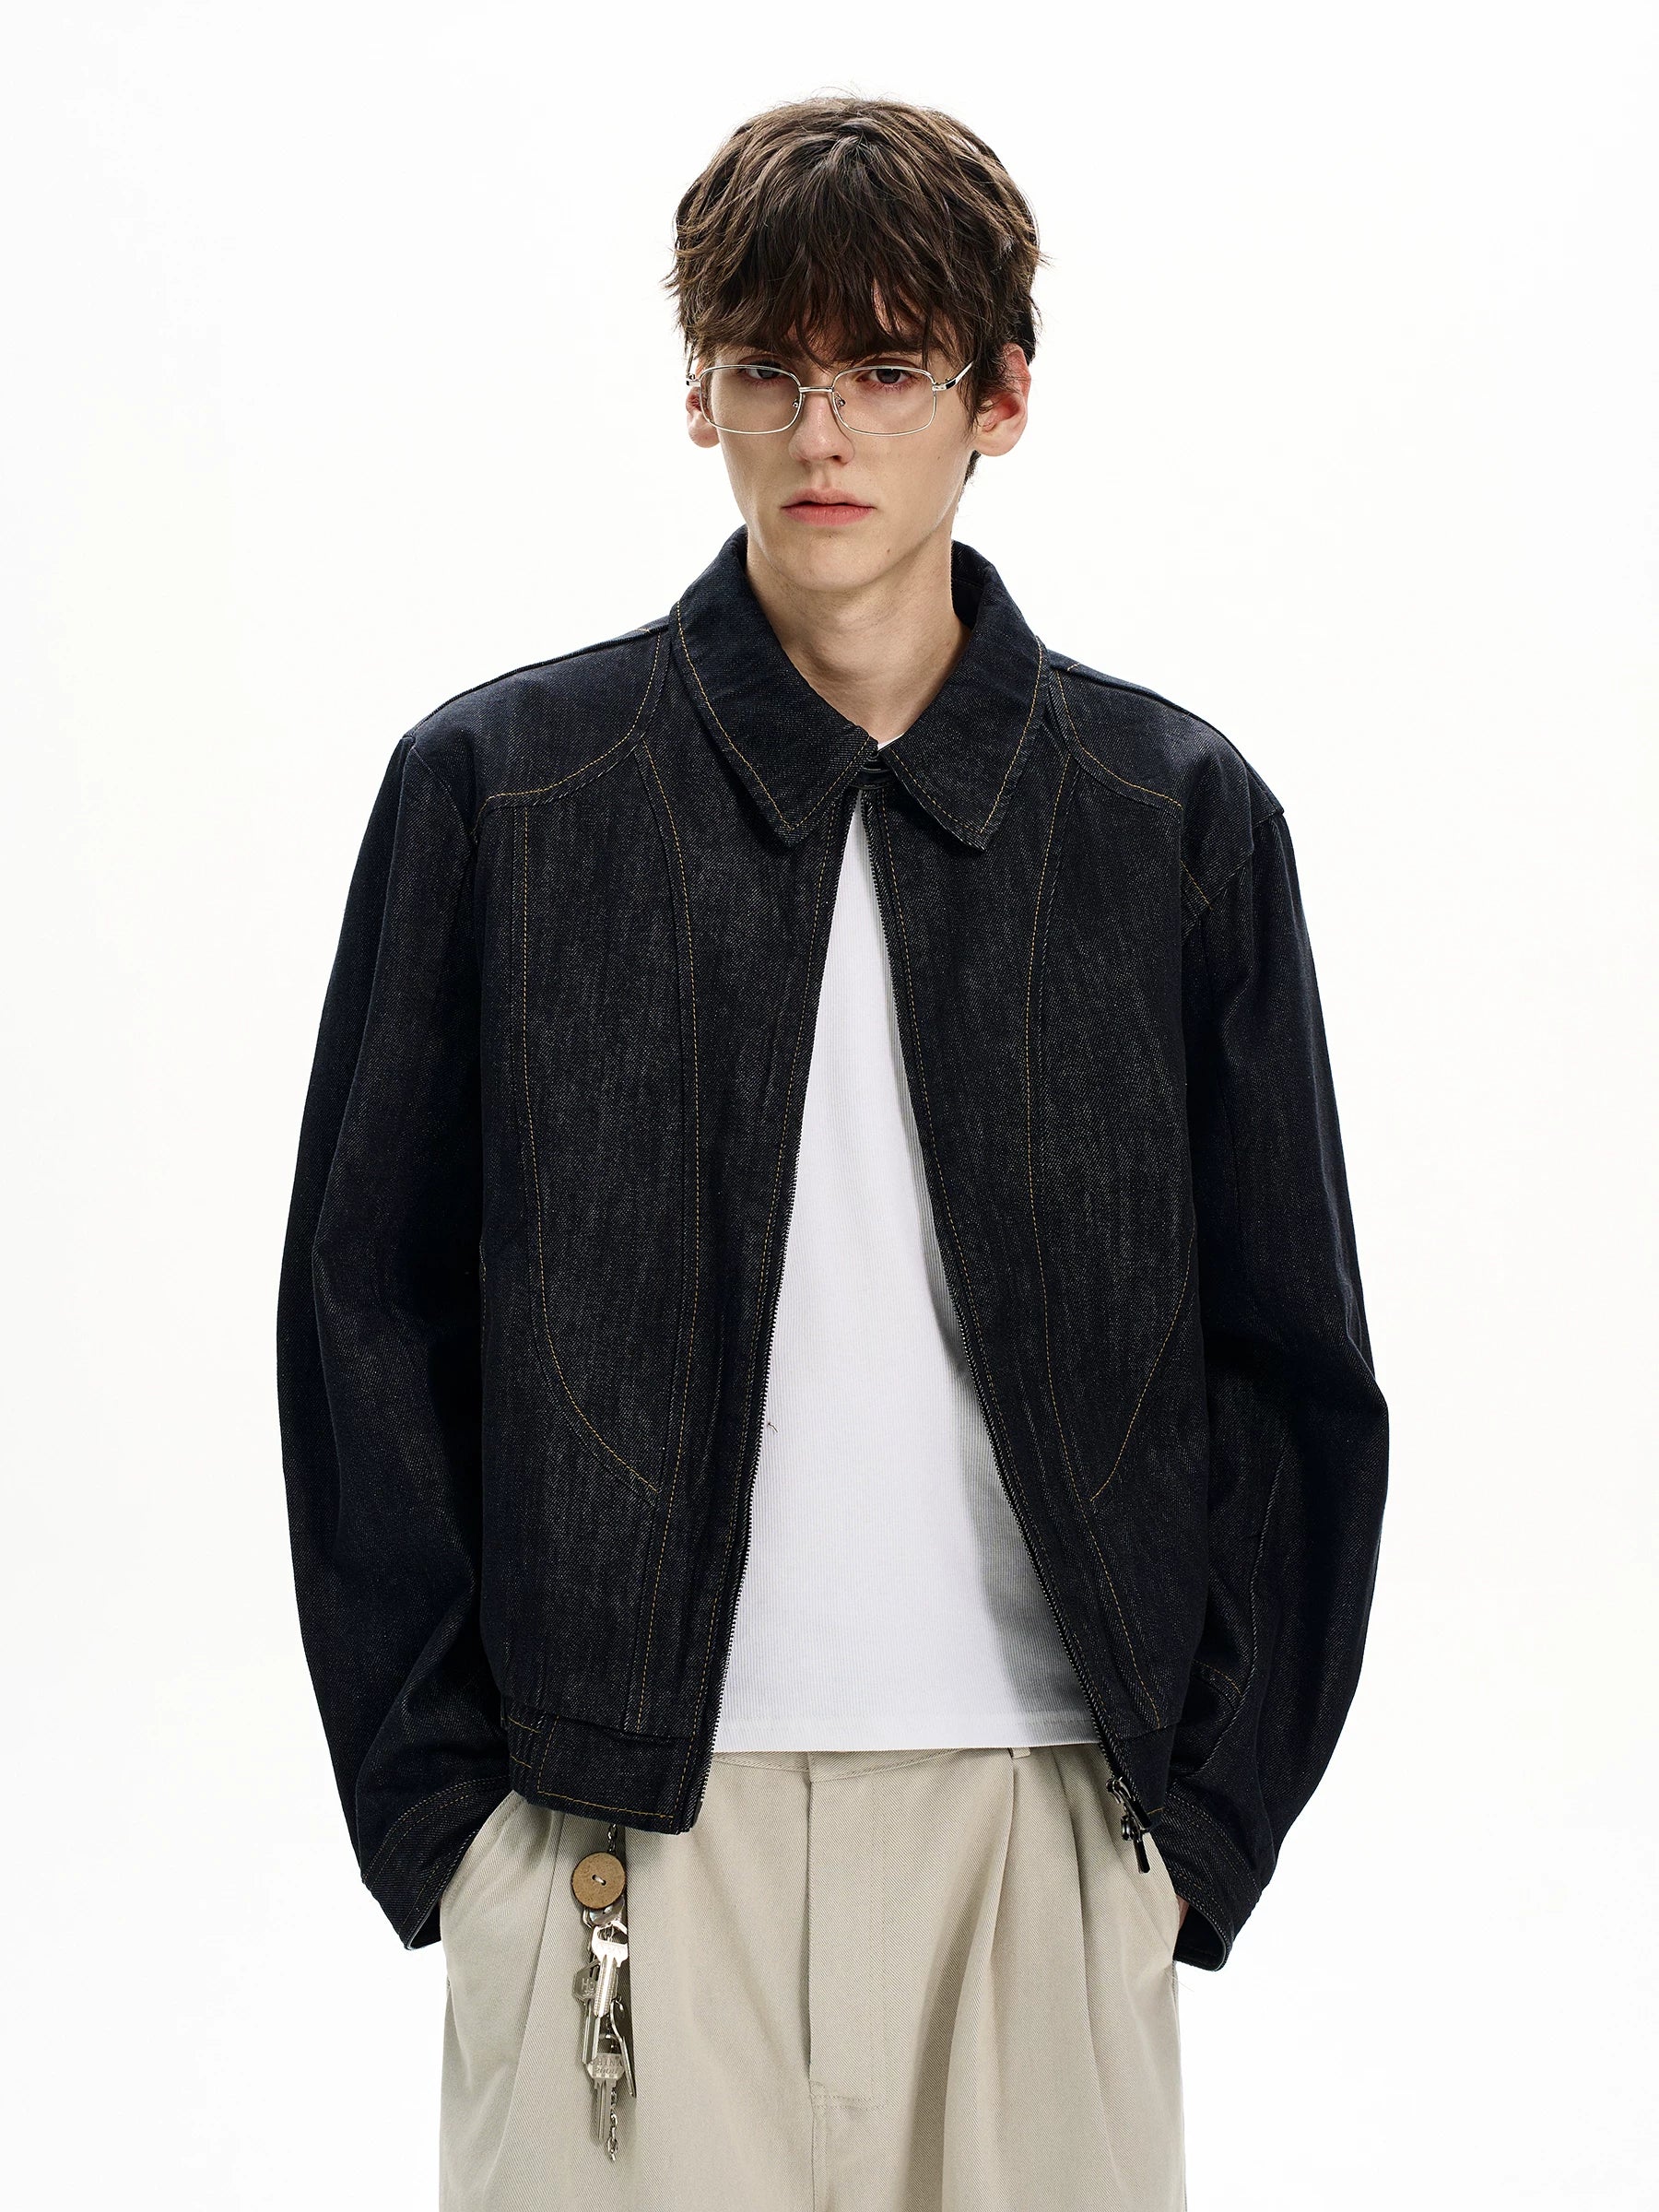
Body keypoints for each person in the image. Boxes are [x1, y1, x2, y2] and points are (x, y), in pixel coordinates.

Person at [276, 93, 1388, 2210]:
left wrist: (1201, 1829)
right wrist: (453, 1833)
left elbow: (1296, 1364)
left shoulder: (1169, 822)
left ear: (1001, 398)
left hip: (1047, 1828)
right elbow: (361, 1318)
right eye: (769, 367)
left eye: (885, 370)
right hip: (612, 1833)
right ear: (698, 390)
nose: (822, 431)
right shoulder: (504, 796)